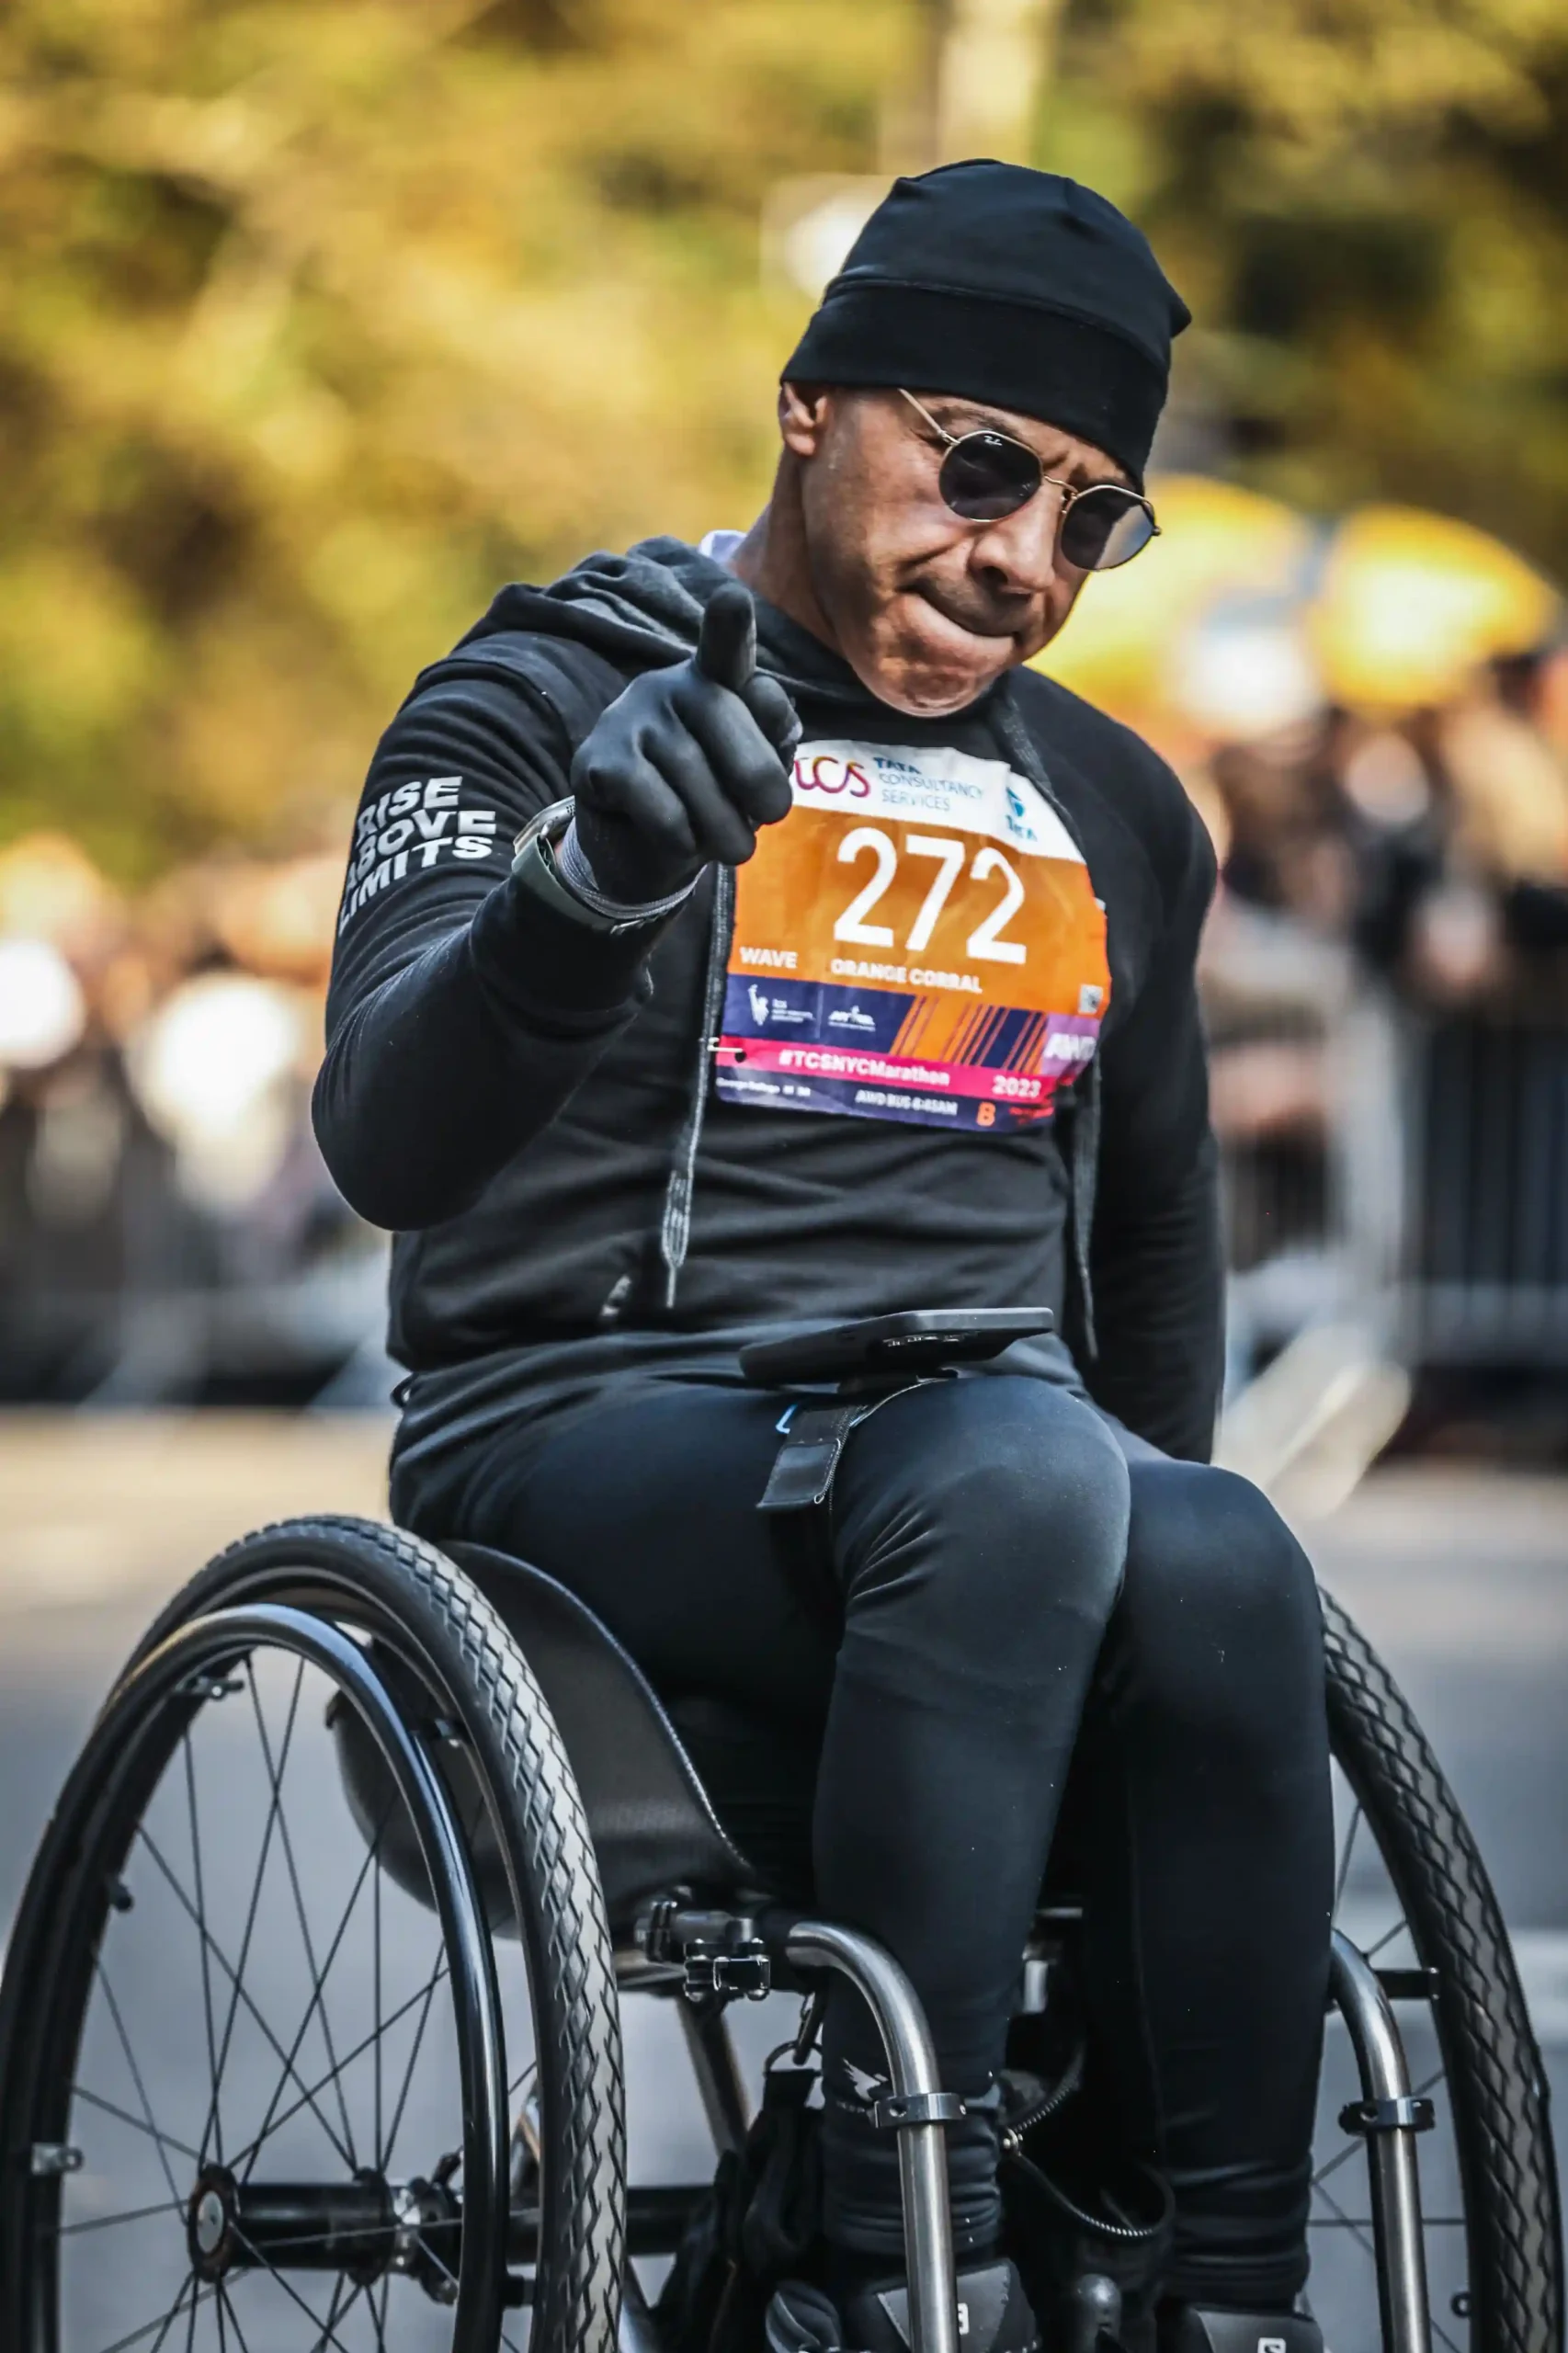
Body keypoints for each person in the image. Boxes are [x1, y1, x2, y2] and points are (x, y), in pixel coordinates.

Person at [314, 164, 1334, 2353]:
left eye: (1089, 517)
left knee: (1223, 1549)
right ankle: (880, 2255)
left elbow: (1153, 1269)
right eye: (976, 467)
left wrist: (1132, 1591)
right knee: (1019, 1472)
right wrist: (585, 879)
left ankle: (1211, 2282)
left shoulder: (1121, 808)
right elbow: (386, 1136)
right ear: (810, 409)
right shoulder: (545, 692)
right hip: (590, 1461)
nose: (1019, 560)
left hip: (983, 1508)